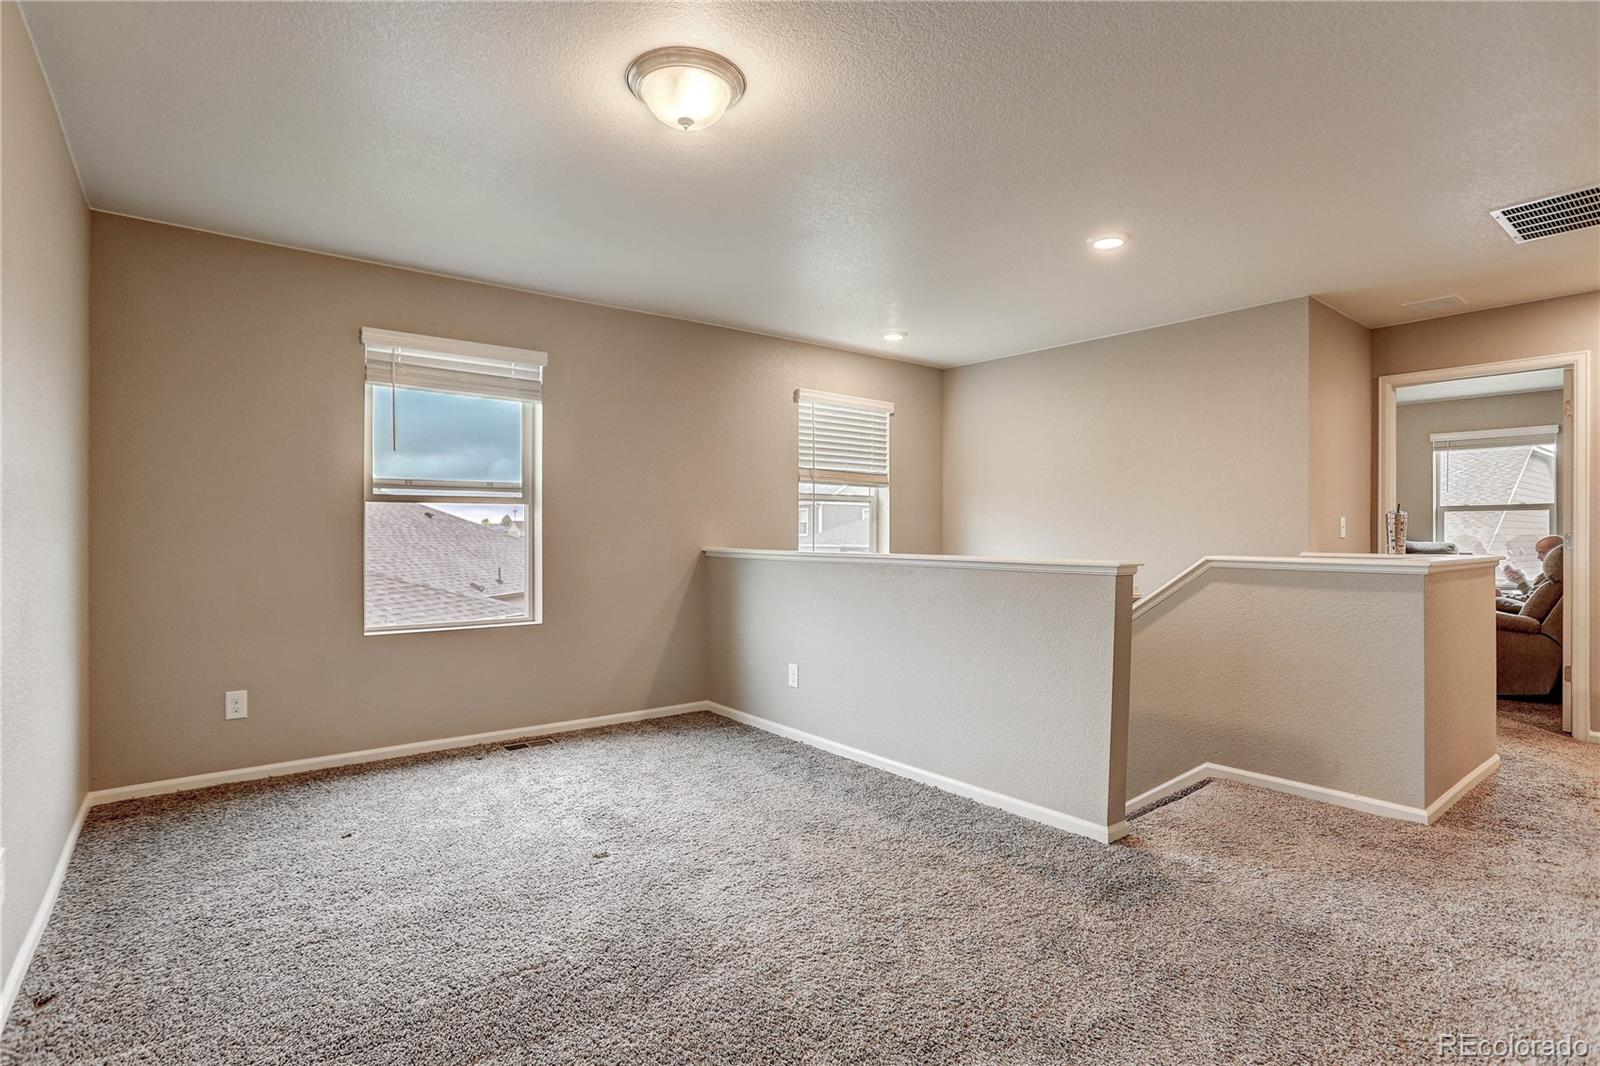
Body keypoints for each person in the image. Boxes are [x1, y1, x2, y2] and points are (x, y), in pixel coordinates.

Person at [1496, 535, 1563, 612]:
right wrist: (1521, 582)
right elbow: (1533, 598)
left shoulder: (1551, 577)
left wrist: (1501, 597)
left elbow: (1527, 602)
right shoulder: (1558, 574)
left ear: (1555, 553)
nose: (1538, 557)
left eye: (1542, 553)